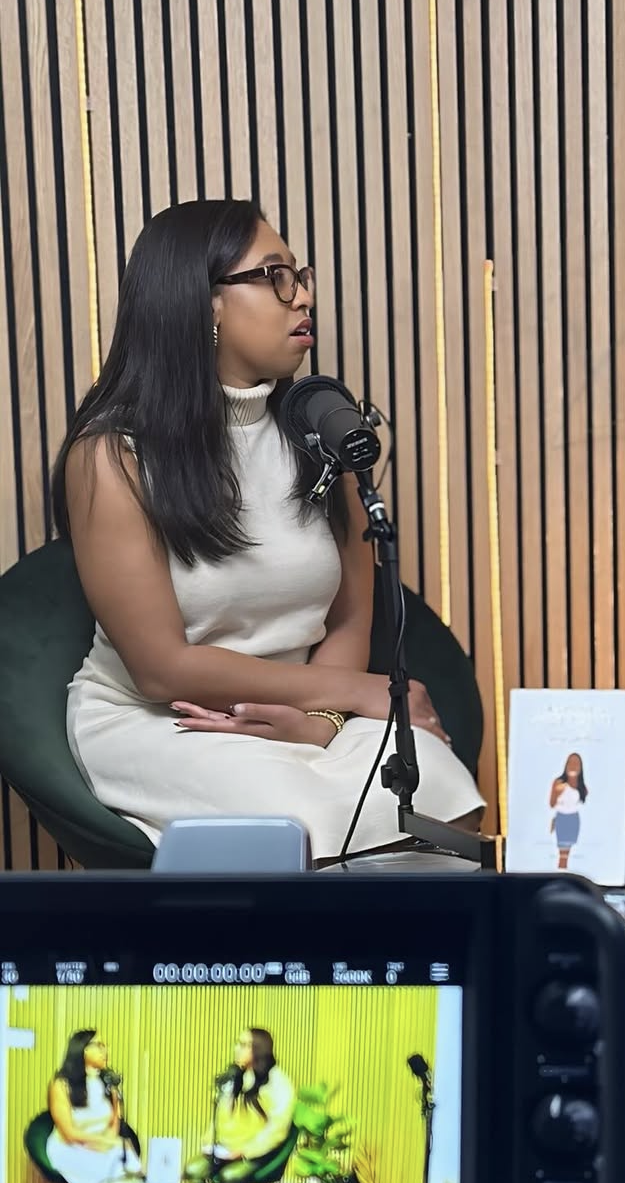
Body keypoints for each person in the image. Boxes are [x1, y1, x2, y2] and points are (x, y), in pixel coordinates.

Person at [52, 200, 484, 864]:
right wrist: (358, 694)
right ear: (206, 305)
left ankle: (413, 967)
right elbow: (160, 667)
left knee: (436, 785)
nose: (302, 294)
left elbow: (347, 624)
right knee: (300, 820)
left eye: (300, 275)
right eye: (275, 275)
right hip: (164, 719)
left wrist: (319, 724)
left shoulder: (322, 433)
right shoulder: (115, 456)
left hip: (305, 711)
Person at [186, 1027, 295, 1183]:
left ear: (259, 1050)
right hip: (227, 1149)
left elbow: (277, 1130)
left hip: (258, 1152)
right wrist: (211, 1144)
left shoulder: (279, 1083)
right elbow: (220, 1118)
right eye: (238, 1043)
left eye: (244, 1045)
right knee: (193, 1170)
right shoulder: (236, 1076)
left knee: (229, 1176)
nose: (237, 1049)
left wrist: (245, 1151)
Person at [45, 1029, 140, 1183]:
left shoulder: (108, 1083)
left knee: (126, 1163)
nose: (104, 1049)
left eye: (104, 1044)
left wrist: (110, 1141)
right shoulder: (61, 1084)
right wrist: (102, 1143)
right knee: (100, 1166)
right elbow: (68, 1132)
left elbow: (115, 1121)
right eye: (98, 1045)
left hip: (100, 1143)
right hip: (68, 1147)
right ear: (81, 1050)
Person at [549, 753, 589, 868]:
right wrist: (558, 792)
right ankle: (561, 871)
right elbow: (552, 804)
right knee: (562, 852)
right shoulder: (558, 783)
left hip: (573, 819)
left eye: (576, 764)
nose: (573, 766)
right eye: (571, 763)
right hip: (562, 819)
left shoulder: (582, 787)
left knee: (570, 849)